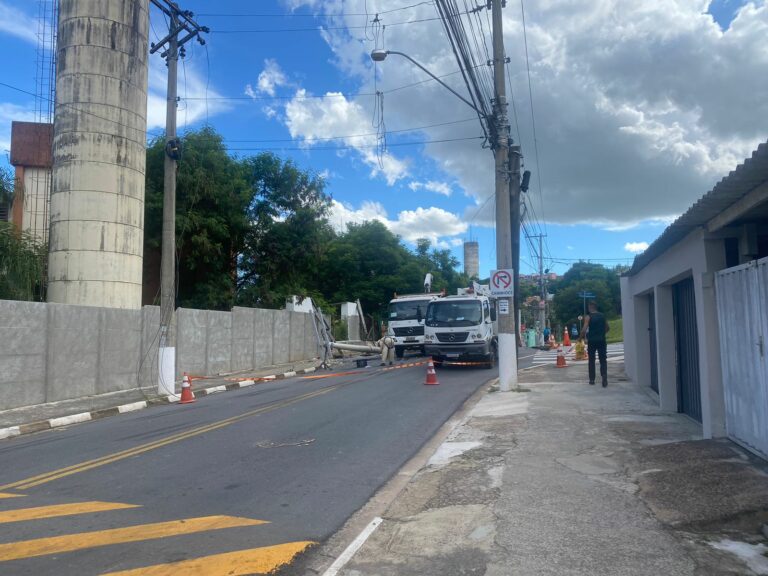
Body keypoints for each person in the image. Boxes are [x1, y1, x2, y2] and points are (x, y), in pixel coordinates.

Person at [580, 300, 609, 387]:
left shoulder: (588, 317)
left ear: (590, 307)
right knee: (603, 360)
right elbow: (607, 328)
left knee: (591, 360)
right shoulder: (602, 316)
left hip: (592, 341)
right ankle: (604, 377)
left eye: (589, 307)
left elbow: (584, 329)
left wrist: (580, 338)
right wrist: (601, 333)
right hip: (601, 340)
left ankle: (592, 380)